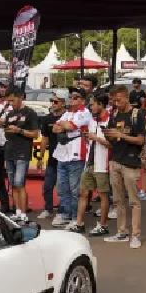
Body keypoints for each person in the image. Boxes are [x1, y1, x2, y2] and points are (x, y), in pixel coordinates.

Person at [103, 85, 146, 249]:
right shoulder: (114, 114)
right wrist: (107, 135)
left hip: (131, 162)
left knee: (134, 201)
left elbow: (141, 140)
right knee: (118, 200)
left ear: (126, 97)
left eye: (119, 100)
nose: (116, 103)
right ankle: (122, 231)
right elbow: (111, 139)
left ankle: (135, 235)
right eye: (114, 100)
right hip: (115, 160)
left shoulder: (137, 114)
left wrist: (121, 135)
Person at [66, 93, 112, 237]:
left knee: (103, 194)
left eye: (93, 104)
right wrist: (89, 138)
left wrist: (95, 138)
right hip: (89, 161)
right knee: (83, 192)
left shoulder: (110, 120)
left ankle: (103, 225)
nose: (90, 107)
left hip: (102, 163)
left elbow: (112, 144)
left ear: (100, 105)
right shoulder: (93, 120)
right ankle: (79, 223)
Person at [51, 88, 94, 229]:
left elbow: (70, 126)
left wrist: (64, 126)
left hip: (77, 155)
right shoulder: (68, 112)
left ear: (83, 100)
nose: (71, 99)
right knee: (62, 187)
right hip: (62, 154)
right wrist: (65, 126)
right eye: (71, 96)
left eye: (75, 97)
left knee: (75, 190)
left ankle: (76, 217)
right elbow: (54, 128)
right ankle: (66, 214)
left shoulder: (85, 113)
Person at [0, 86, 40, 221]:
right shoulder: (9, 114)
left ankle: (23, 214)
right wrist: (9, 130)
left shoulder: (30, 113)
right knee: (13, 184)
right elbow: (6, 131)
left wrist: (19, 131)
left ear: (20, 97)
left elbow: (35, 134)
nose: (11, 103)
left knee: (20, 183)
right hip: (9, 151)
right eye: (9, 101)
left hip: (23, 151)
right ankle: (17, 212)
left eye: (13, 100)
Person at [38, 95, 65, 219]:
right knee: (47, 186)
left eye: (55, 101)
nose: (53, 104)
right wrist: (40, 157)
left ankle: (62, 211)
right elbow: (44, 139)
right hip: (52, 158)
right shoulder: (47, 119)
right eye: (51, 101)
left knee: (62, 187)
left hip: (65, 158)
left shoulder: (68, 117)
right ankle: (48, 209)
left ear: (63, 103)